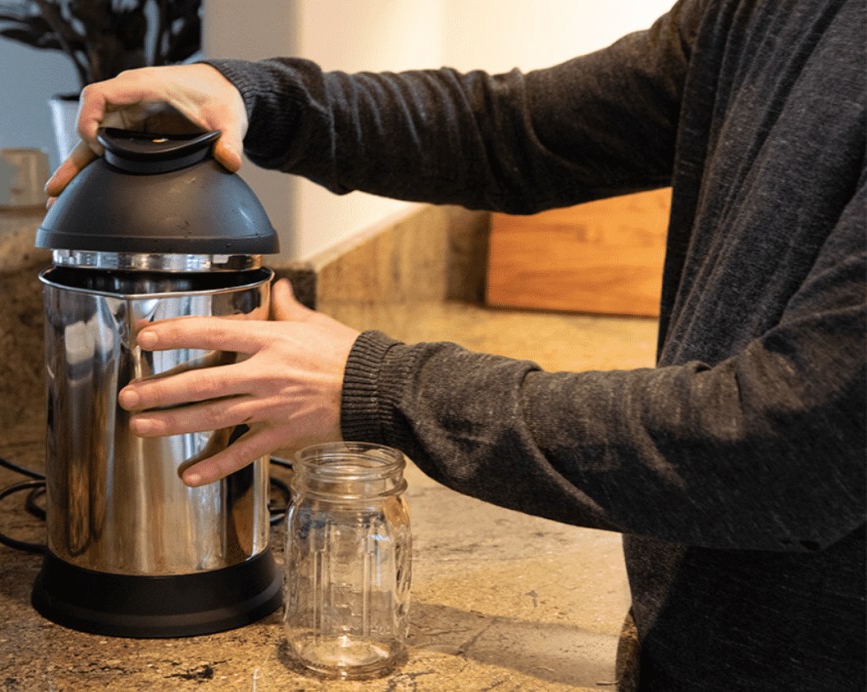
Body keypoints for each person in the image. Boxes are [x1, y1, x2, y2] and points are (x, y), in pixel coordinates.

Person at [44, 0, 865, 688]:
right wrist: (253, 97)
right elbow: (516, 131)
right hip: (691, 632)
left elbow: (788, 442)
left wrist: (377, 385)